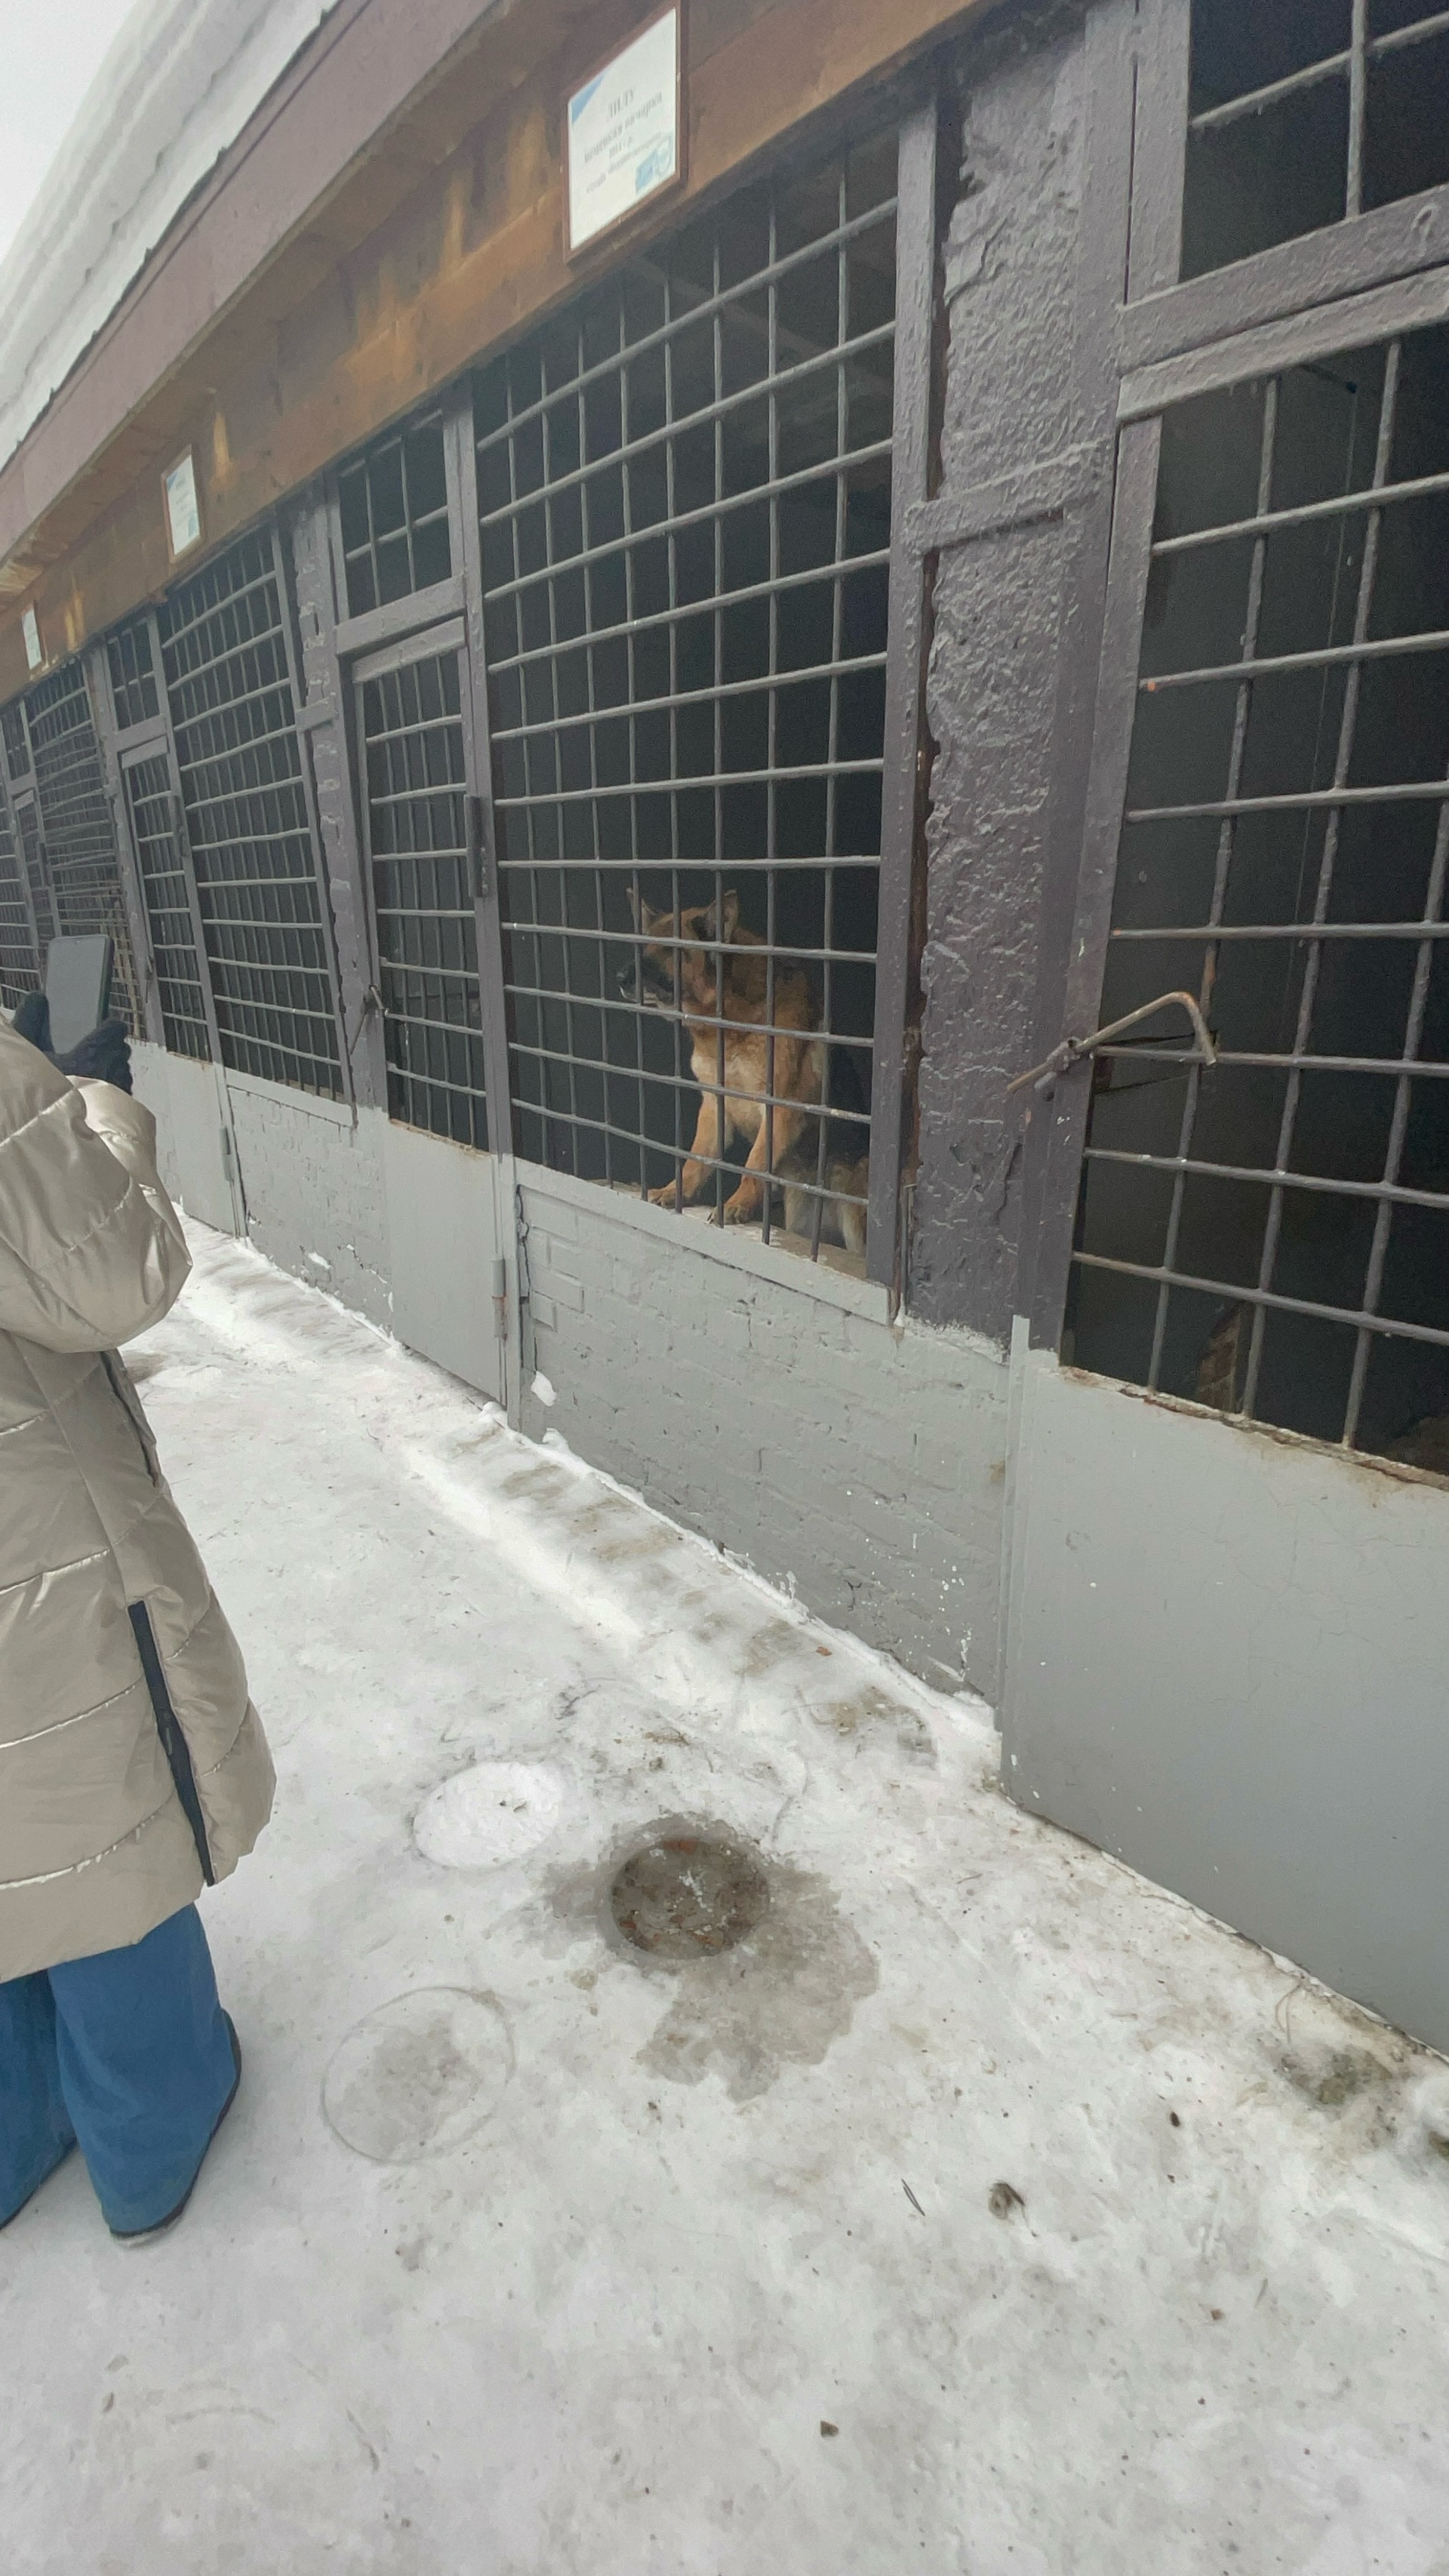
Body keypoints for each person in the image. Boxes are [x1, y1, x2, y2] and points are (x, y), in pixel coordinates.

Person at [0, 994, 273, 2239]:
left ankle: (19, 2130)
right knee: (92, 1810)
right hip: (30, 1552)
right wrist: (85, 1100)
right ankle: (154, 2135)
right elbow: (117, 1270)